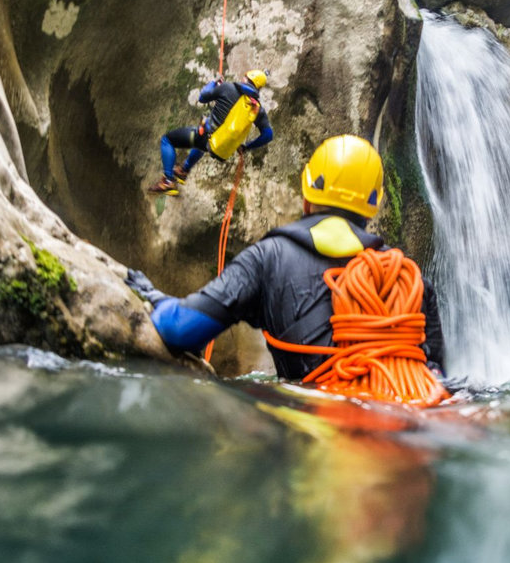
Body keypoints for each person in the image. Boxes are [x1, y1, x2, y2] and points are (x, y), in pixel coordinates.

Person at [128, 134, 445, 379]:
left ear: (307, 194)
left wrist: (154, 296)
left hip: (313, 430)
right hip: (405, 430)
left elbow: (181, 329)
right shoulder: (410, 278)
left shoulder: (268, 259)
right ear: (373, 206)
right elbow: (436, 374)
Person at [148, 69, 274, 195]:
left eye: (245, 76)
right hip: (218, 147)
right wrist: (246, 147)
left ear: (248, 78)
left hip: (205, 136)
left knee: (167, 140)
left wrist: (214, 83)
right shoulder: (257, 109)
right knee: (202, 144)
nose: (242, 78)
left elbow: (202, 97)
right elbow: (268, 135)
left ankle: (168, 181)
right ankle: (184, 170)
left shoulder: (228, 88)